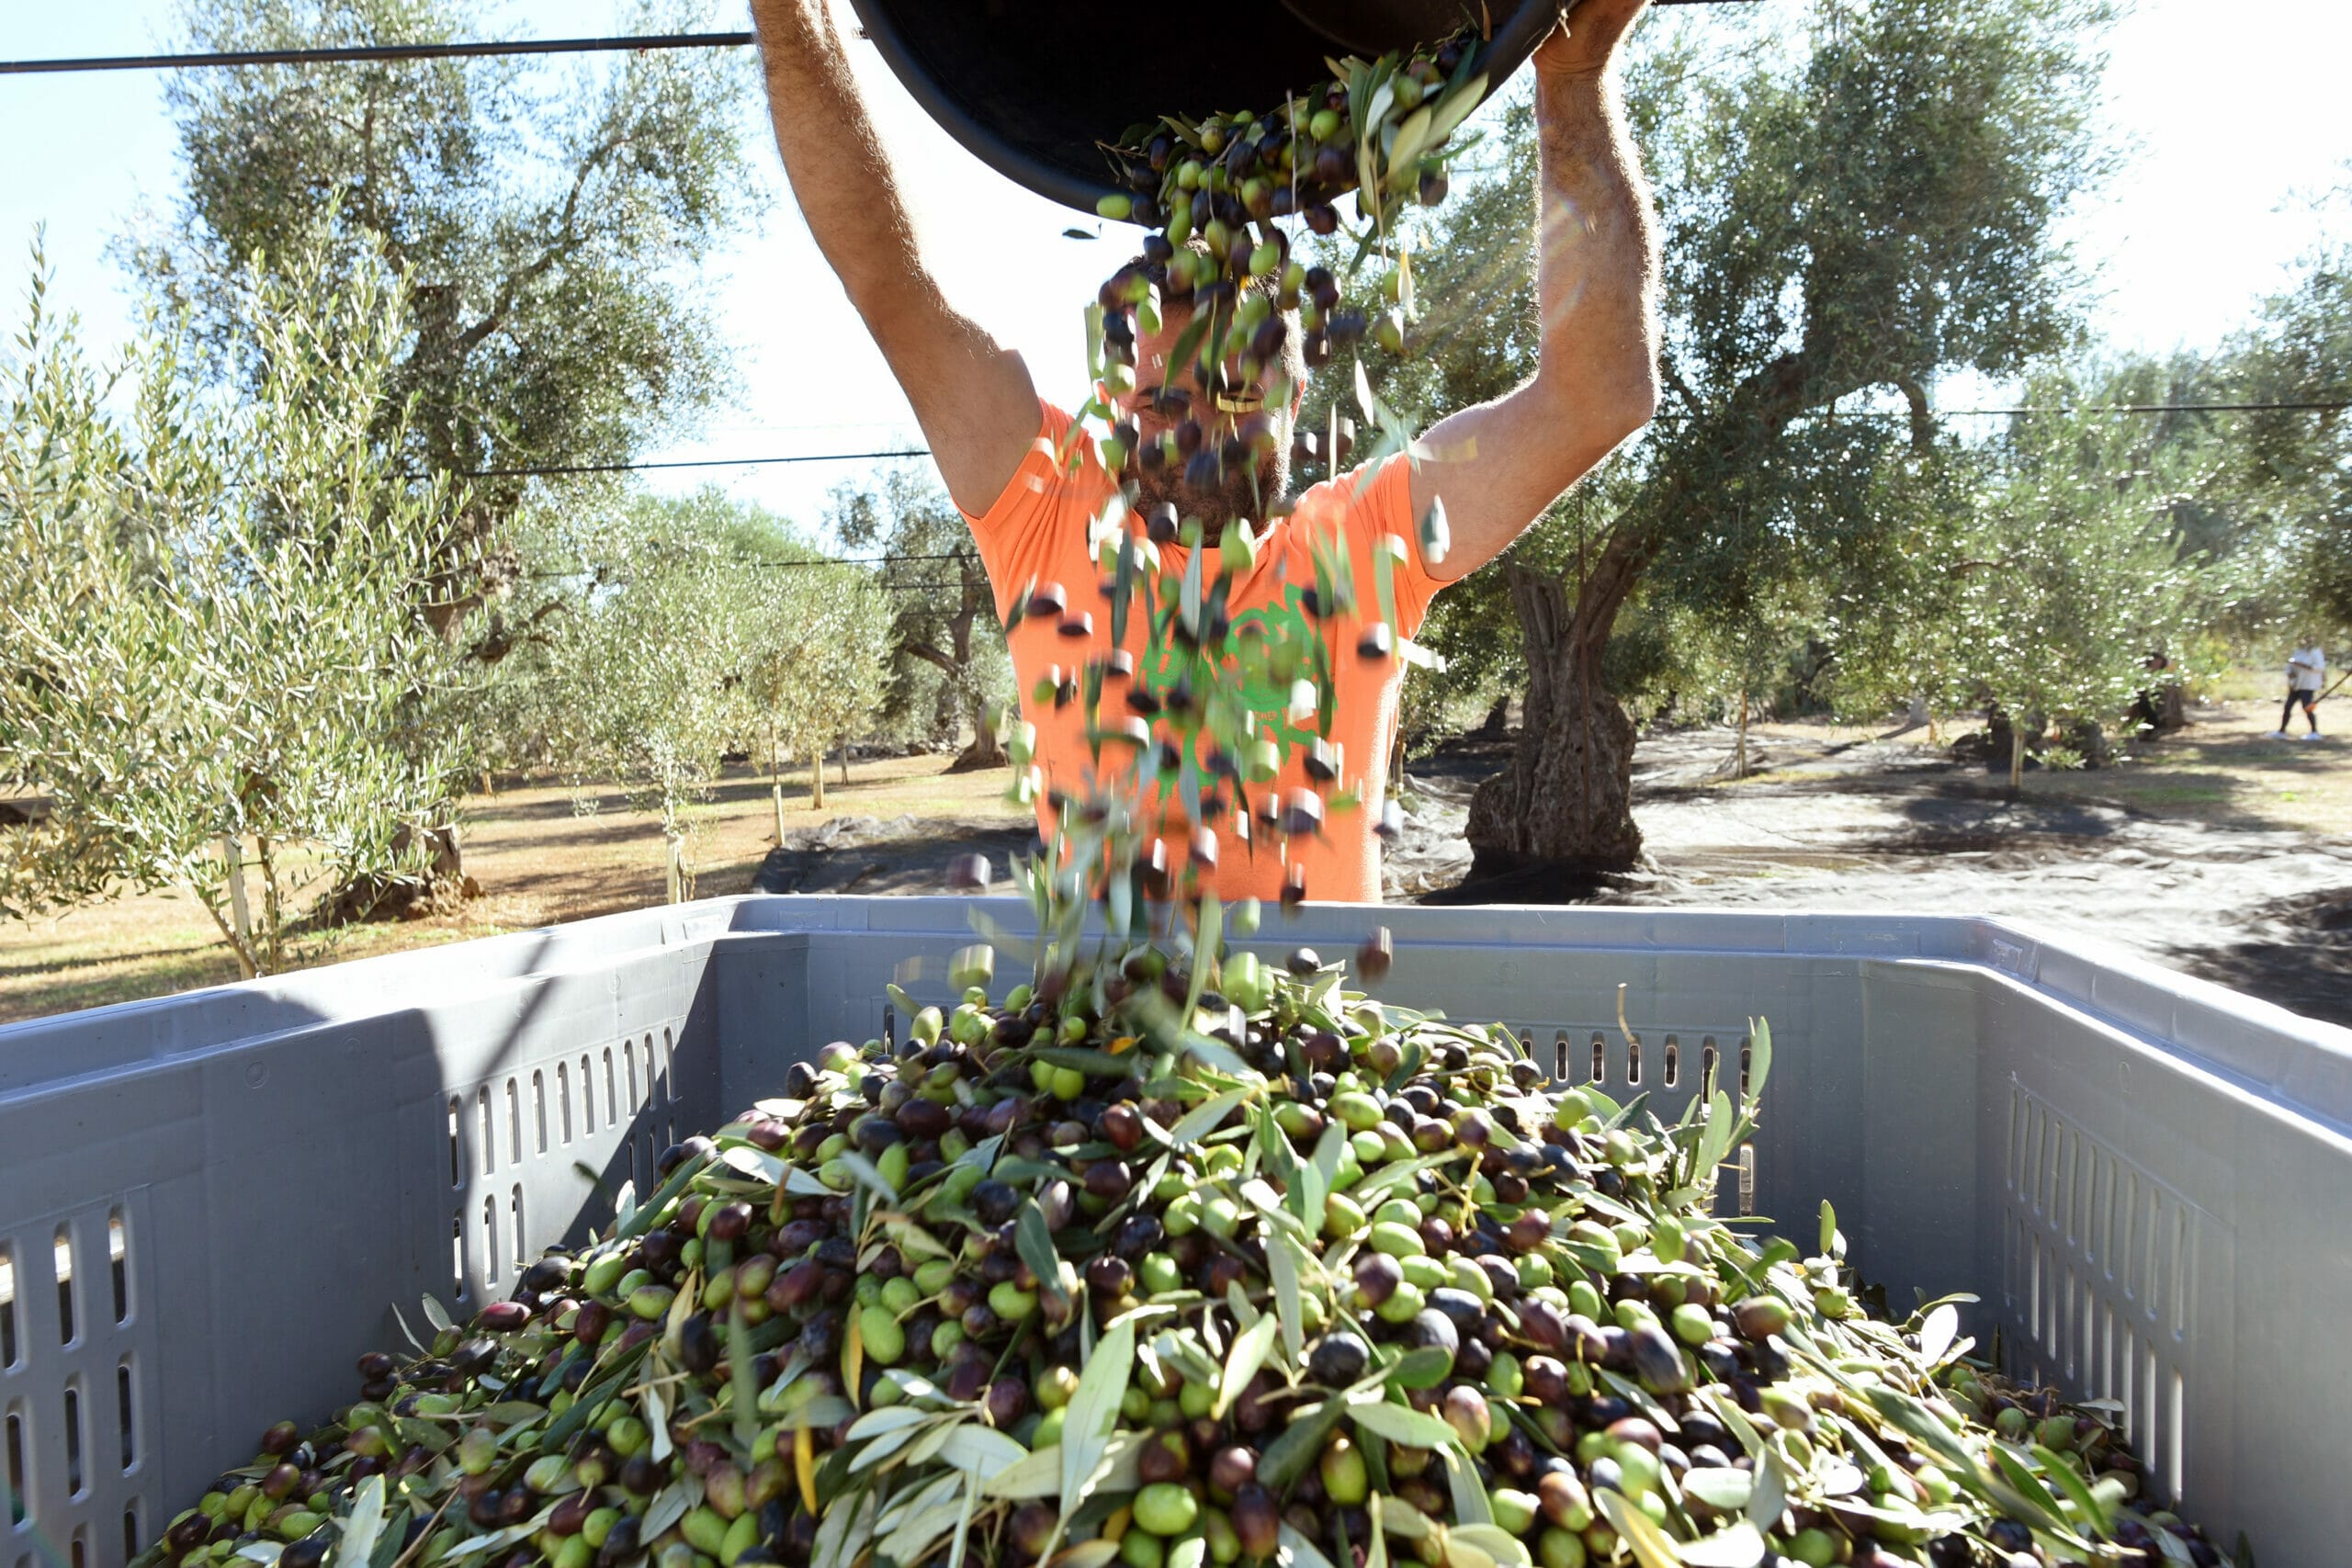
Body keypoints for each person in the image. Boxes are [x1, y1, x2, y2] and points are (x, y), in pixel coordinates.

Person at [748, 0, 1661, 901]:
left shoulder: (1363, 545)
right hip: (1101, 1033)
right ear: (1111, 401)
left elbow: (1598, 398)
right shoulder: (1044, 507)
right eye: (1162, 399)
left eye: (1234, 397)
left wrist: (1572, 85)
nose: (1195, 433)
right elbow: (888, 277)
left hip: (1314, 1041)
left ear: (1295, 398)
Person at [2275, 636, 2326, 739]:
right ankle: (2281, 731)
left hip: (2308, 685)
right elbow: (2290, 666)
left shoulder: (2315, 651)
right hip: (2295, 684)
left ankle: (2314, 732)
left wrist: (2301, 665)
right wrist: (2290, 674)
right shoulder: (2298, 651)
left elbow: (2320, 667)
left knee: (2307, 707)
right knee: (2288, 706)